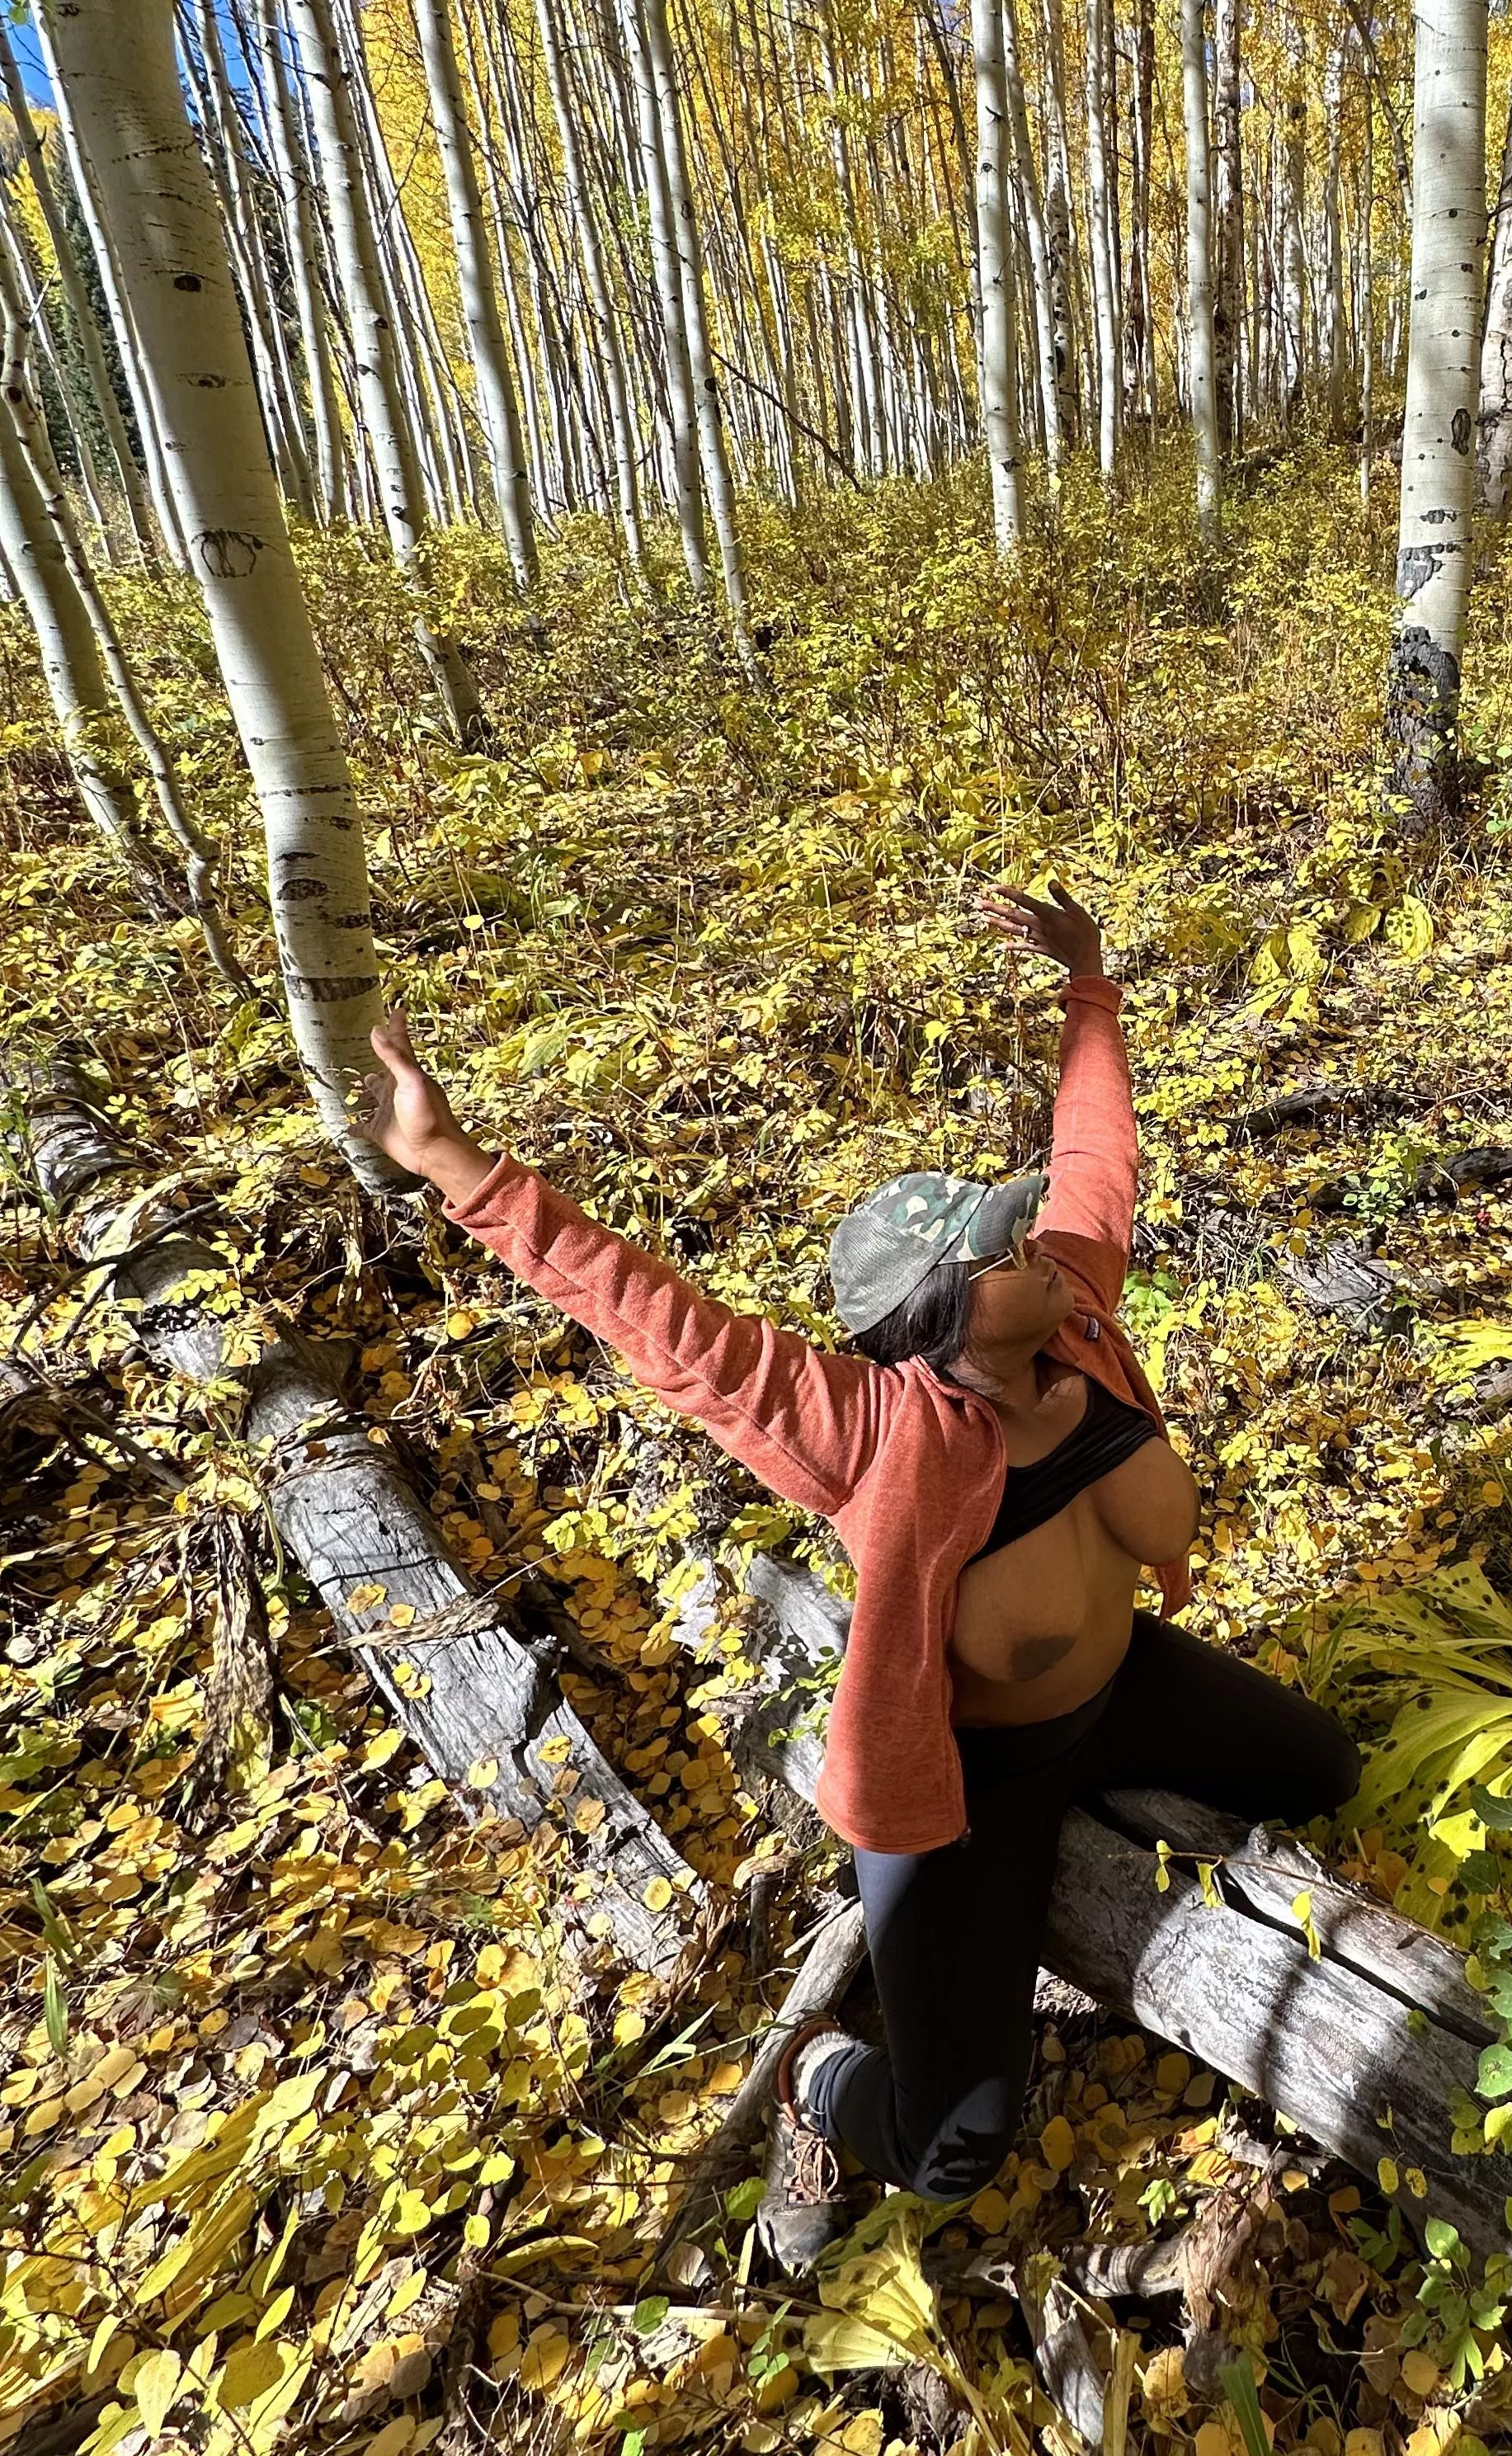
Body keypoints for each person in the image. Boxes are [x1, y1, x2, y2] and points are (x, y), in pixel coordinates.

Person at [359, 879, 1360, 2202]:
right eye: (1001, 1251)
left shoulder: (1072, 1308)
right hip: (968, 1789)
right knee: (955, 2152)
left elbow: (1096, 1155)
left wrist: (1090, 987)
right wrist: (457, 1167)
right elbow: (663, 1325)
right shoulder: (874, 1429)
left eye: (1022, 1230)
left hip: (1119, 1695)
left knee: (1327, 1771)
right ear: (942, 1313)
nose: (1037, 1243)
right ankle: (822, 2080)